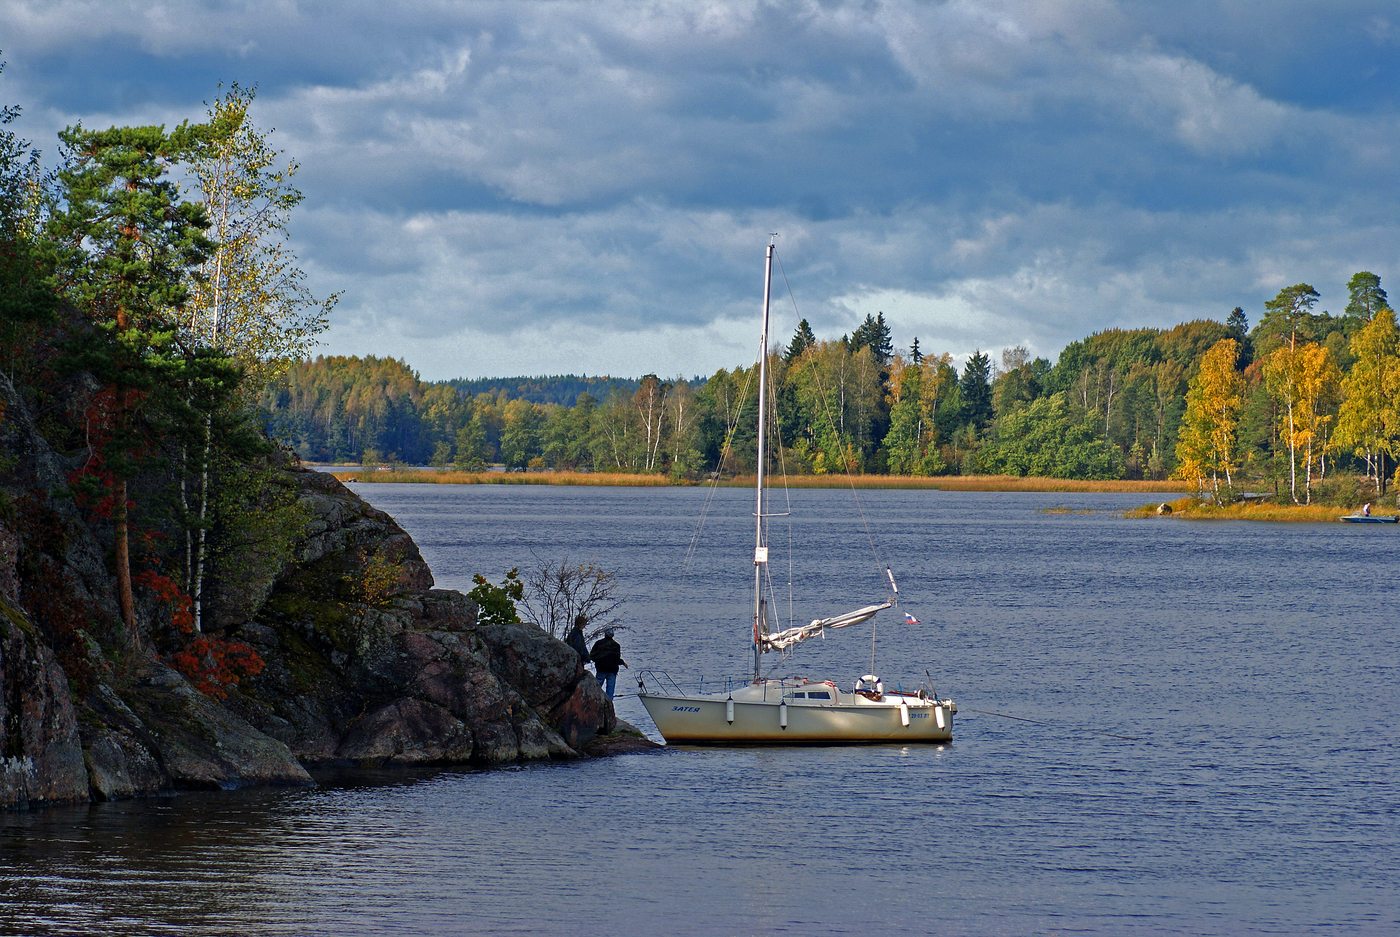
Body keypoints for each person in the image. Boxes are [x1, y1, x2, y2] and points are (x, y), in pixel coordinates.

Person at [589, 628, 627, 699]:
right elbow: (617, 659)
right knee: (610, 690)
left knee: (596, 687)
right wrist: (623, 663)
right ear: (612, 635)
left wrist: (597, 661)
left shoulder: (598, 643)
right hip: (612, 670)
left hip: (601, 669)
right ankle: (609, 706)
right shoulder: (616, 645)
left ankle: (593, 700)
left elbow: (592, 655)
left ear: (605, 634)